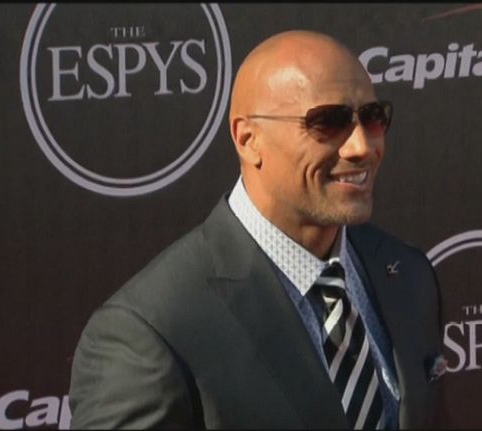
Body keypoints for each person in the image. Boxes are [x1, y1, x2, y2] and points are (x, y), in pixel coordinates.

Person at [69, 30, 445, 429]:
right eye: (328, 122)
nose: (362, 146)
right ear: (248, 139)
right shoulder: (149, 332)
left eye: (372, 117)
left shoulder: (407, 274)